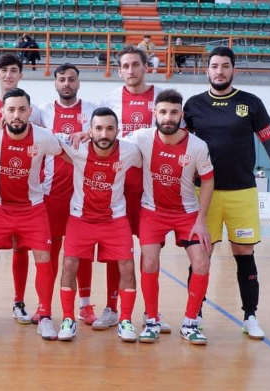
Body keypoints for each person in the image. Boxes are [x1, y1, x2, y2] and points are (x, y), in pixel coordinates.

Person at [183, 46, 270, 340]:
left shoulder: (250, 103)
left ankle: (250, 316)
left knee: (244, 253)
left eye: (225, 66)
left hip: (242, 192)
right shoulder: (193, 106)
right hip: (204, 193)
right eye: (214, 66)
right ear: (206, 70)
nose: (219, 71)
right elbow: (178, 144)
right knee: (200, 257)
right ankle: (194, 315)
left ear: (233, 69)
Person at [0, 88, 62, 340]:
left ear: (30, 112)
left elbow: (69, 150)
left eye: (21, 110)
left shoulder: (43, 137)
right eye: (11, 110)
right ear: (2, 112)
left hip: (33, 208)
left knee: (44, 257)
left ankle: (45, 315)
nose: (16, 115)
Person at [129, 89, 214, 345]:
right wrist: (87, 134)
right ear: (154, 113)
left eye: (174, 112)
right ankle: (152, 319)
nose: (168, 117)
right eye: (163, 112)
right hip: (152, 212)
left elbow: (208, 181)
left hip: (187, 214)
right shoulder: (141, 137)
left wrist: (201, 220)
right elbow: (111, 144)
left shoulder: (197, 146)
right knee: (149, 262)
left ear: (181, 115)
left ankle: (190, 322)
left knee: (202, 263)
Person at [99, 45, 171, 333]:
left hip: (151, 191)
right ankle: (111, 307)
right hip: (117, 190)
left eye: (135, 65)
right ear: (119, 71)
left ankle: (151, 312)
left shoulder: (161, 99)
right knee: (116, 251)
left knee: (150, 254)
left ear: (146, 67)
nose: (131, 70)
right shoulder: (109, 99)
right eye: (125, 66)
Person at [56, 107, 142, 342]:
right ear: (90, 130)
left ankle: (125, 320)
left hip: (115, 219)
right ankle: (68, 319)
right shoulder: (77, 146)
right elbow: (48, 136)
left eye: (109, 128)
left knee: (127, 266)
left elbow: (151, 149)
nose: (104, 134)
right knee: (69, 264)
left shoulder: (130, 151)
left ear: (118, 131)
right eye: (99, 128)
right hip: (80, 218)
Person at [0, 53, 42, 324]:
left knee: (21, 246)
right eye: (4, 70)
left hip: (22, 187)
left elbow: (39, 139)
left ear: (20, 74)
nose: (8, 75)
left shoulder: (32, 109)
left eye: (13, 70)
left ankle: (18, 301)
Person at [38, 63, 99, 325]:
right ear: (55, 83)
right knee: (49, 253)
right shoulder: (42, 112)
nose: (66, 83)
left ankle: (85, 305)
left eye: (71, 79)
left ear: (78, 83)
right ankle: (44, 305)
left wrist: (90, 131)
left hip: (84, 194)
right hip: (51, 193)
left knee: (82, 253)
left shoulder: (92, 111)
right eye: (62, 79)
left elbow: (107, 133)